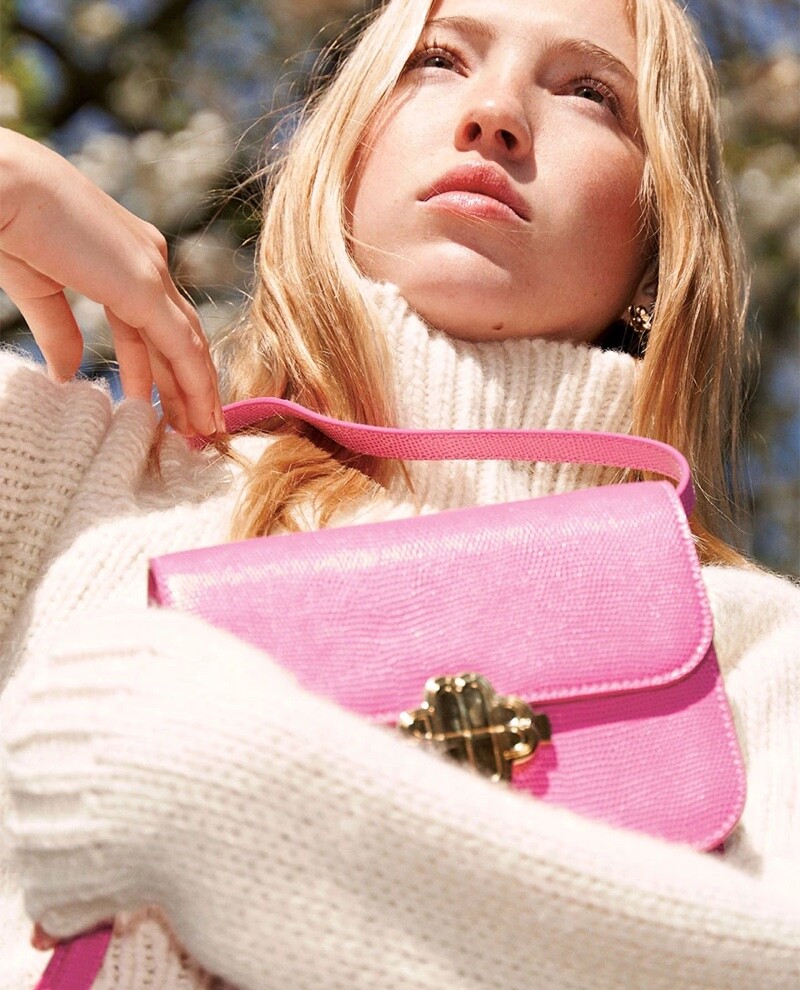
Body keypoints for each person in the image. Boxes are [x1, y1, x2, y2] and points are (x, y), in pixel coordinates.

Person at [0, 0, 798, 987]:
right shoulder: (74, 475)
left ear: (658, 243)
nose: (495, 113)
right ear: (343, 156)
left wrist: (233, 791)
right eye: (437, 61)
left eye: (590, 94)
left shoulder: (749, 649)